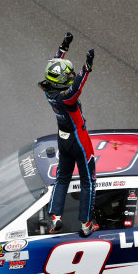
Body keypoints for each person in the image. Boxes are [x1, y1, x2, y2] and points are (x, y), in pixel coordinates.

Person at [38, 32, 98, 236]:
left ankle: (55, 216)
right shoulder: (67, 97)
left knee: (62, 178)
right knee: (88, 180)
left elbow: (54, 64)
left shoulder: (49, 89)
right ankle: (86, 223)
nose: (72, 75)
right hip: (79, 140)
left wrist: (64, 46)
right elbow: (77, 85)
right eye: (68, 74)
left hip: (62, 139)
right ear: (62, 81)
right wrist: (86, 66)